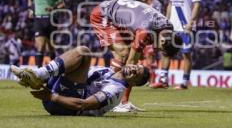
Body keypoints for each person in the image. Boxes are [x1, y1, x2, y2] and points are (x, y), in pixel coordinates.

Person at [90, 0, 182, 111]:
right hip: (103, 14)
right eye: (160, 49)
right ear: (162, 41)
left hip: (118, 15)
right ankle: (116, 99)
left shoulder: (168, 27)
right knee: (123, 54)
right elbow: (131, 63)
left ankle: (118, 99)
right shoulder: (145, 31)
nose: (157, 49)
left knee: (129, 54)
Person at [10, 46, 150, 116]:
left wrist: (52, 96)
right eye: (135, 66)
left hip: (65, 106)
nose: (132, 69)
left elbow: (82, 105)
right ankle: (38, 76)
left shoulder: (115, 91)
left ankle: (38, 74)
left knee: (84, 52)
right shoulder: (107, 71)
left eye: (135, 73)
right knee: (72, 61)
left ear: (134, 83)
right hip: (60, 91)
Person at [150, 0, 201, 90]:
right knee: (166, 52)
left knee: (186, 53)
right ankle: (163, 80)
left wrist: (191, 22)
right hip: (172, 26)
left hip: (186, 27)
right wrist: (166, 22)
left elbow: (197, 5)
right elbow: (170, 4)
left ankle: (184, 82)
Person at [28, 0, 65, 67]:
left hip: (51, 20)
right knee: (40, 47)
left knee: (51, 47)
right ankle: (39, 72)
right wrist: (31, 10)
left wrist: (53, 8)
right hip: (38, 20)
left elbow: (62, 4)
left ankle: (54, 71)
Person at [140, 0, 162, 84]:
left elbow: (157, 19)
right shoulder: (142, 5)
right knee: (144, 57)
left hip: (153, 34)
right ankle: (147, 80)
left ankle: (152, 81)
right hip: (143, 33)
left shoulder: (157, 4)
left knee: (150, 56)